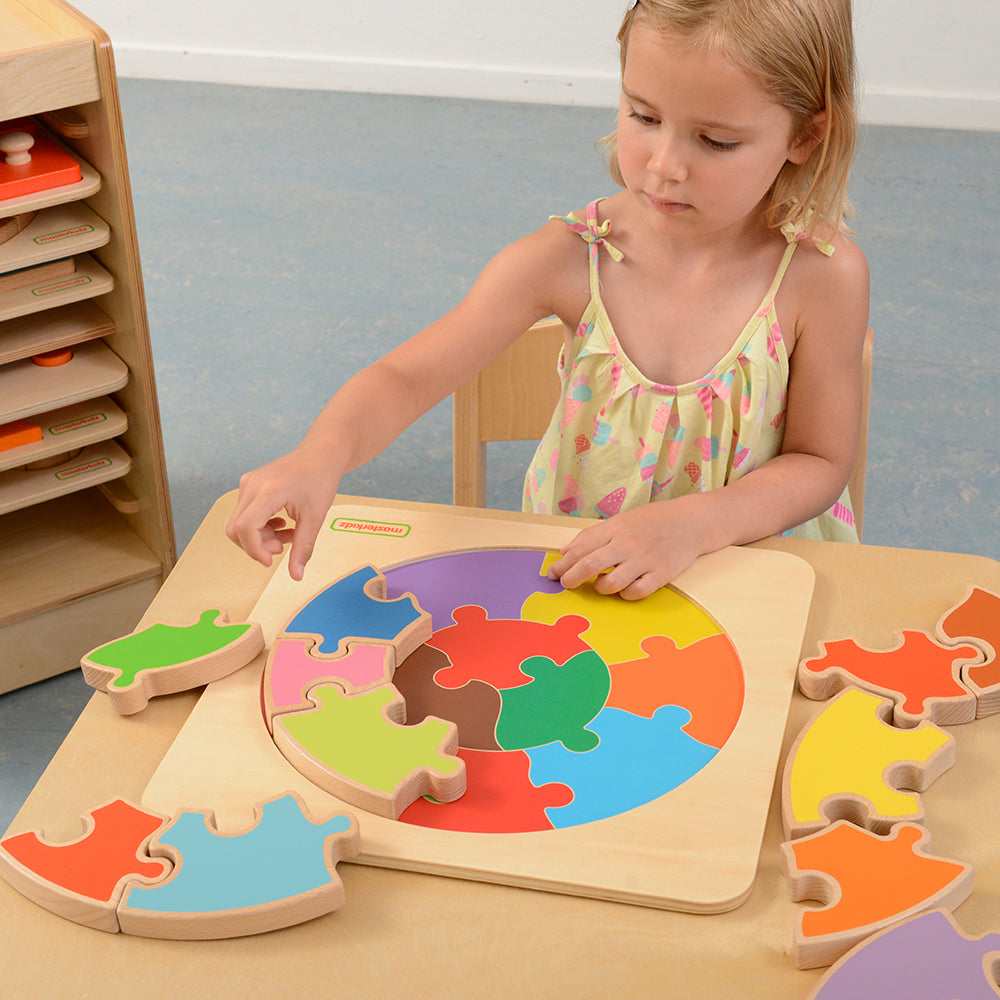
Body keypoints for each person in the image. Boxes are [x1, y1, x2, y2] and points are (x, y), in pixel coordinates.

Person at [226, 0, 870, 600]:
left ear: (805, 136)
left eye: (716, 141)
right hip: (588, 579)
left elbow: (819, 461)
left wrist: (693, 526)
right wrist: (319, 455)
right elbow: (405, 377)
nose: (664, 165)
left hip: (754, 573)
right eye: (644, 116)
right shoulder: (566, 259)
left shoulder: (823, 276)